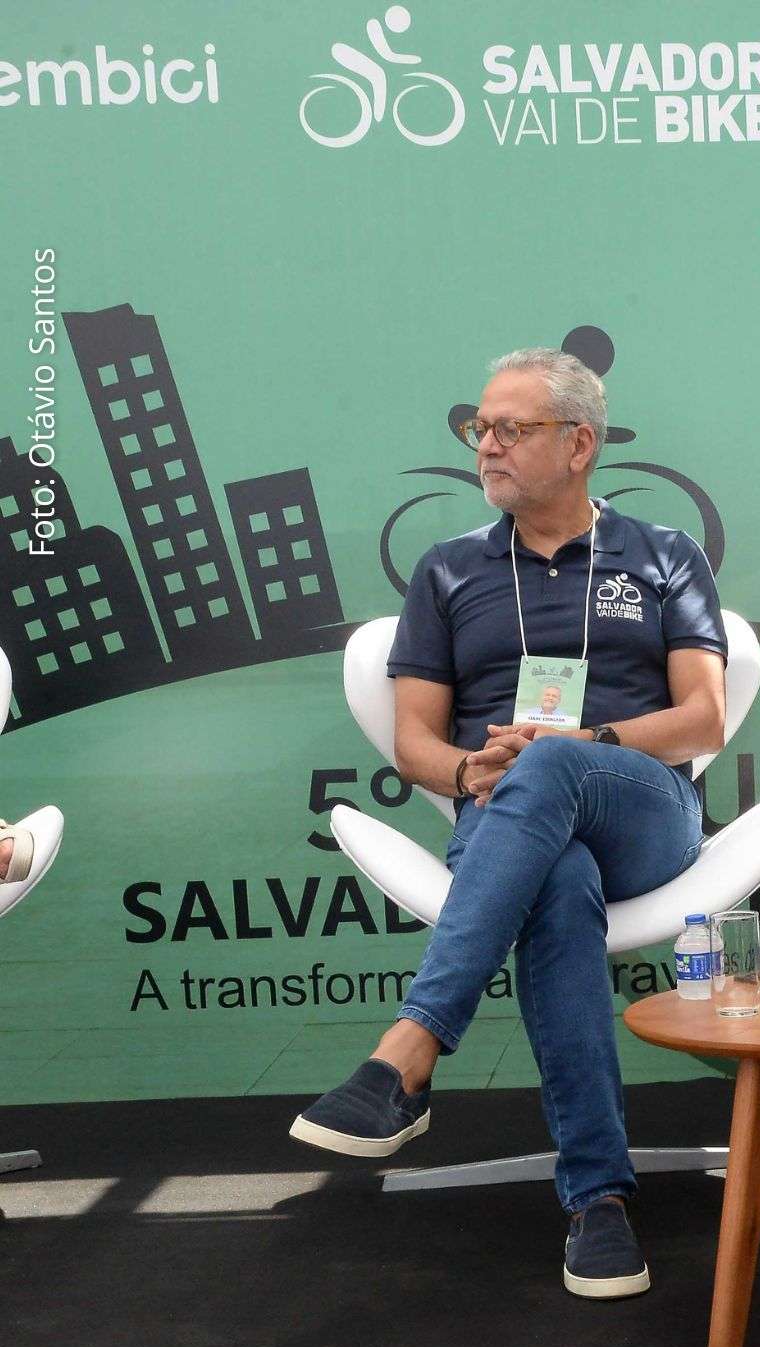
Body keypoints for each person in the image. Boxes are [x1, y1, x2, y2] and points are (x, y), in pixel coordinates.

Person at [288, 347, 729, 1297]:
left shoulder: (661, 556)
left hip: (643, 807)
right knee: (556, 883)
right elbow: (414, 742)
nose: (485, 445)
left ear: (579, 445)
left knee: (559, 759)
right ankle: (599, 1203)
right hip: (509, 815)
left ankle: (410, 1048)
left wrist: (584, 738)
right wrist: (467, 766)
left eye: (508, 429)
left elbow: (704, 718)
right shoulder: (447, 572)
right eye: (477, 428)